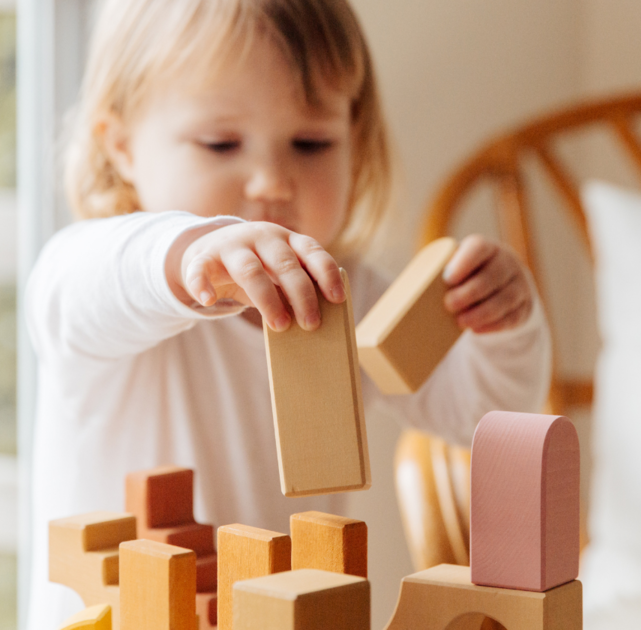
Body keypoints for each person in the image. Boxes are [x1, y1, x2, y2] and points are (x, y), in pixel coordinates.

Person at [25, 0, 551, 627]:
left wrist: (502, 328)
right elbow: (71, 290)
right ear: (122, 148)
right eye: (221, 143)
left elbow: (479, 420)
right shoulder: (114, 280)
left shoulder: (347, 297)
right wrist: (190, 255)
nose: (272, 181)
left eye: (311, 142)